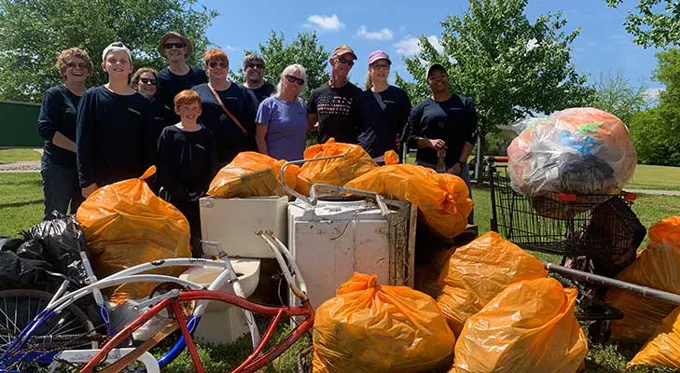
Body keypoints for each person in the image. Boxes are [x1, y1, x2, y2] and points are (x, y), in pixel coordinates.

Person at [76, 42, 152, 198]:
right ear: (104, 65)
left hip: (135, 182)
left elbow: (148, 145)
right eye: (112, 60)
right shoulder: (92, 96)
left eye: (123, 61)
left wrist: (147, 181)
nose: (118, 64)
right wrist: (87, 182)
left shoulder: (143, 102)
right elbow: (83, 141)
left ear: (131, 68)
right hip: (99, 181)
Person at [407, 63, 478, 224]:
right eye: (433, 77)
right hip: (427, 169)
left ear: (448, 78)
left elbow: (471, 136)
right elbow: (410, 139)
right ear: (427, 83)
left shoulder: (465, 104)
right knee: (427, 214)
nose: (439, 79)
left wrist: (460, 163)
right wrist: (429, 143)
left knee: (462, 213)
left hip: (456, 167)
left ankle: (463, 246)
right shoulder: (420, 109)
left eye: (442, 75)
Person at [157, 90, 216, 257]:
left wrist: (201, 190)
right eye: (185, 108)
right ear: (177, 110)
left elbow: (210, 167)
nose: (190, 112)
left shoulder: (207, 134)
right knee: (177, 236)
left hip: (200, 196)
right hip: (176, 196)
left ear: (200, 111)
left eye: (194, 108)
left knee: (199, 237)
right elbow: (164, 166)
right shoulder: (169, 133)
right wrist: (179, 191)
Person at [37, 47, 93, 216]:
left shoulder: (93, 96)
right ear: (63, 69)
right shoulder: (54, 94)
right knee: (55, 216)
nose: (78, 68)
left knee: (83, 216)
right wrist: (78, 149)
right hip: (58, 166)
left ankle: (76, 244)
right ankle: (50, 244)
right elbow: (45, 128)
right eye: (72, 65)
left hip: (86, 169)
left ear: (88, 71)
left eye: (83, 65)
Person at [192, 49, 259, 167]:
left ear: (228, 69)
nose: (218, 68)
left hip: (239, 157)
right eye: (213, 64)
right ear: (206, 68)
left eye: (222, 64)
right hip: (206, 156)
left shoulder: (243, 92)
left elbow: (255, 123)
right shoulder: (196, 92)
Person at [352, 50, 411, 159]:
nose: (381, 70)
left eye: (384, 66)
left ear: (389, 69)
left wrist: (402, 139)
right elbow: (354, 126)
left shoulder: (399, 95)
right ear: (370, 69)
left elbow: (408, 124)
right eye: (377, 66)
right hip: (365, 157)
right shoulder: (361, 98)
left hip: (391, 157)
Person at [307, 44, 363, 144]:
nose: (346, 65)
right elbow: (309, 125)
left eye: (350, 63)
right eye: (342, 60)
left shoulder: (357, 94)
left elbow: (366, 125)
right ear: (332, 61)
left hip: (348, 154)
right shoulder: (316, 94)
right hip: (325, 153)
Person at [255, 64, 308, 161]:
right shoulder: (268, 105)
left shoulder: (302, 105)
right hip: (276, 168)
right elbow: (259, 138)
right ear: (283, 79)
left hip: (299, 167)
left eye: (299, 81)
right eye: (291, 78)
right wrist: (269, 164)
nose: (295, 83)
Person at [156, 32, 208, 120]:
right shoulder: (161, 78)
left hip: (198, 127)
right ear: (165, 52)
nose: (174, 48)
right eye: (169, 46)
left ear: (185, 49)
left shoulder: (199, 74)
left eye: (178, 45)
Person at [130, 68, 174, 160]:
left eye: (153, 82)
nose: (149, 84)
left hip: (155, 162)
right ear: (135, 84)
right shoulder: (126, 106)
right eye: (145, 81)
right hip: (128, 160)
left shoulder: (166, 111)